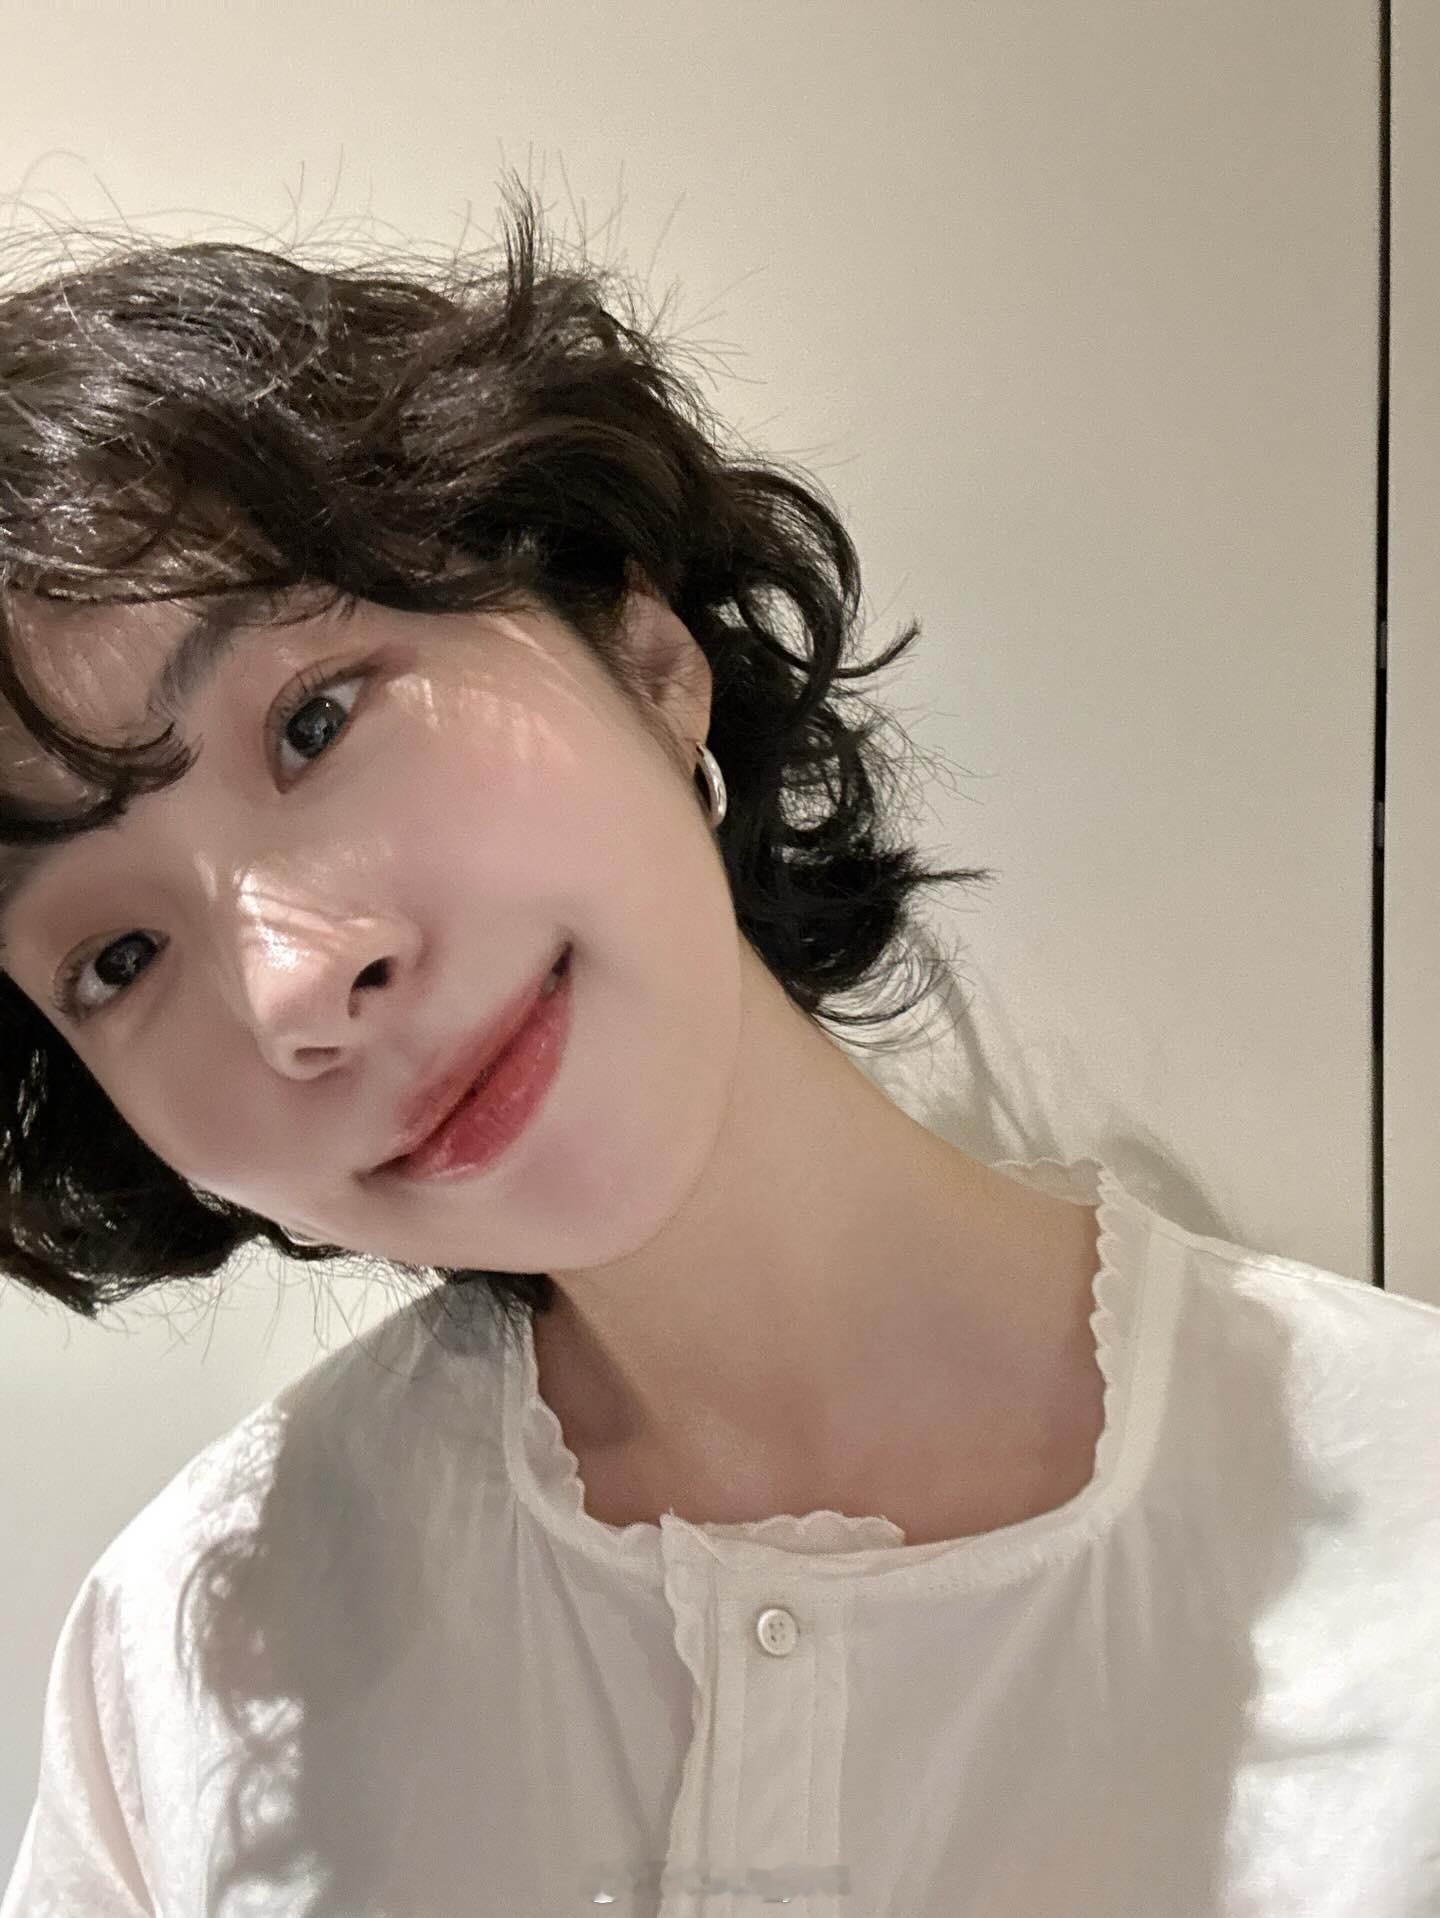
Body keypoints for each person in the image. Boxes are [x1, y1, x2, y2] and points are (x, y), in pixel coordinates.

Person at [0, 179, 1436, 1918]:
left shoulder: (1408, 1538)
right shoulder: (185, 1676)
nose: (299, 985)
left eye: (315, 717)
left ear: (645, 648)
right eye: (119, 957)